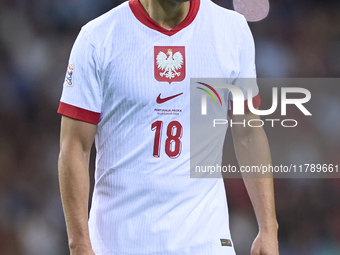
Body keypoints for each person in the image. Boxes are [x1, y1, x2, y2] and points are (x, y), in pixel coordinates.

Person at [57, 0, 279, 254]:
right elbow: (74, 147)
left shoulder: (232, 29)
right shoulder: (97, 39)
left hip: (204, 240)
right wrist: (79, 245)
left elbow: (248, 132)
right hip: (120, 242)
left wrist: (268, 228)